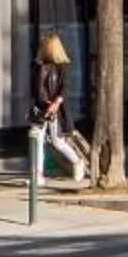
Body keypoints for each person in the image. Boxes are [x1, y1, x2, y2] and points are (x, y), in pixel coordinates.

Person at [31, 32, 88, 185]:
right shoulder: (38, 65)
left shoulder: (62, 66)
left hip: (55, 108)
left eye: (44, 46)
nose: (41, 49)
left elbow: (64, 88)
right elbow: (35, 88)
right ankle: (38, 176)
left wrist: (56, 103)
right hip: (41, 107)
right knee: (37, 140)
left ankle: (77, 161)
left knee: (57, 141)